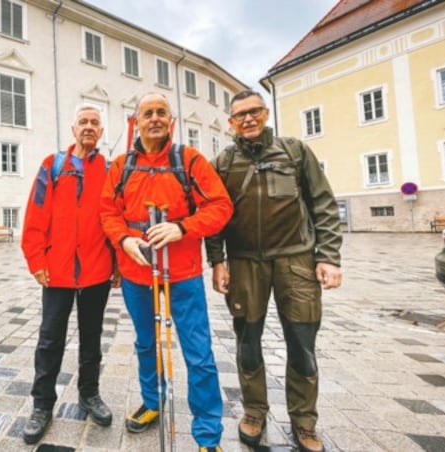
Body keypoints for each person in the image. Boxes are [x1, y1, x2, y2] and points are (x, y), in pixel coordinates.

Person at [204, 89, 343, 452]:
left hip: (295, 262)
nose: (248, 119)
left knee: (301, 344)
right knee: (247, 342)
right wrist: (217, 261)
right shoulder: (223, 162)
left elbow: (324, 203)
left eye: (254, 112)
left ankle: (304, 421)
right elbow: (214, 217)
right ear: (231, 121)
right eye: (240, 115)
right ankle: (253, 410)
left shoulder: (294, 151)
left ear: (266, 113)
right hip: (244, 263)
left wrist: (327, 255)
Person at [100, 93, 233, 452]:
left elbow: (221, 206)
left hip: (183, 275)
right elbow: (108, 212)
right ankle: (153, 402)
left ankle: (207, 435)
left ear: (171, 121)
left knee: (198, 353)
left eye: (162, 113)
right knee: (147, 344)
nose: (155, 118)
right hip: (137, 274)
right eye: (148, 113)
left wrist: (183, 228)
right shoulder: (120, 166)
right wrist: (124, 239)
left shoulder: (190, 161)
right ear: (137, 121)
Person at [20, 105, 121, 445]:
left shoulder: (108, 170)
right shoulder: (53, 165)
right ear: (73, 128)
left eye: (95, 123)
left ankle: (89, 394)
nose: (89, 127)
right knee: (50, 339)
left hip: (96, 269)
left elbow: (115, 219)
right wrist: (36, 259)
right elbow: (36, 213)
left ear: (101, 131)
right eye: (83, 122)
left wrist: (118, 263)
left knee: (92, 338)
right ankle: (42, 404)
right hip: (58, 271)